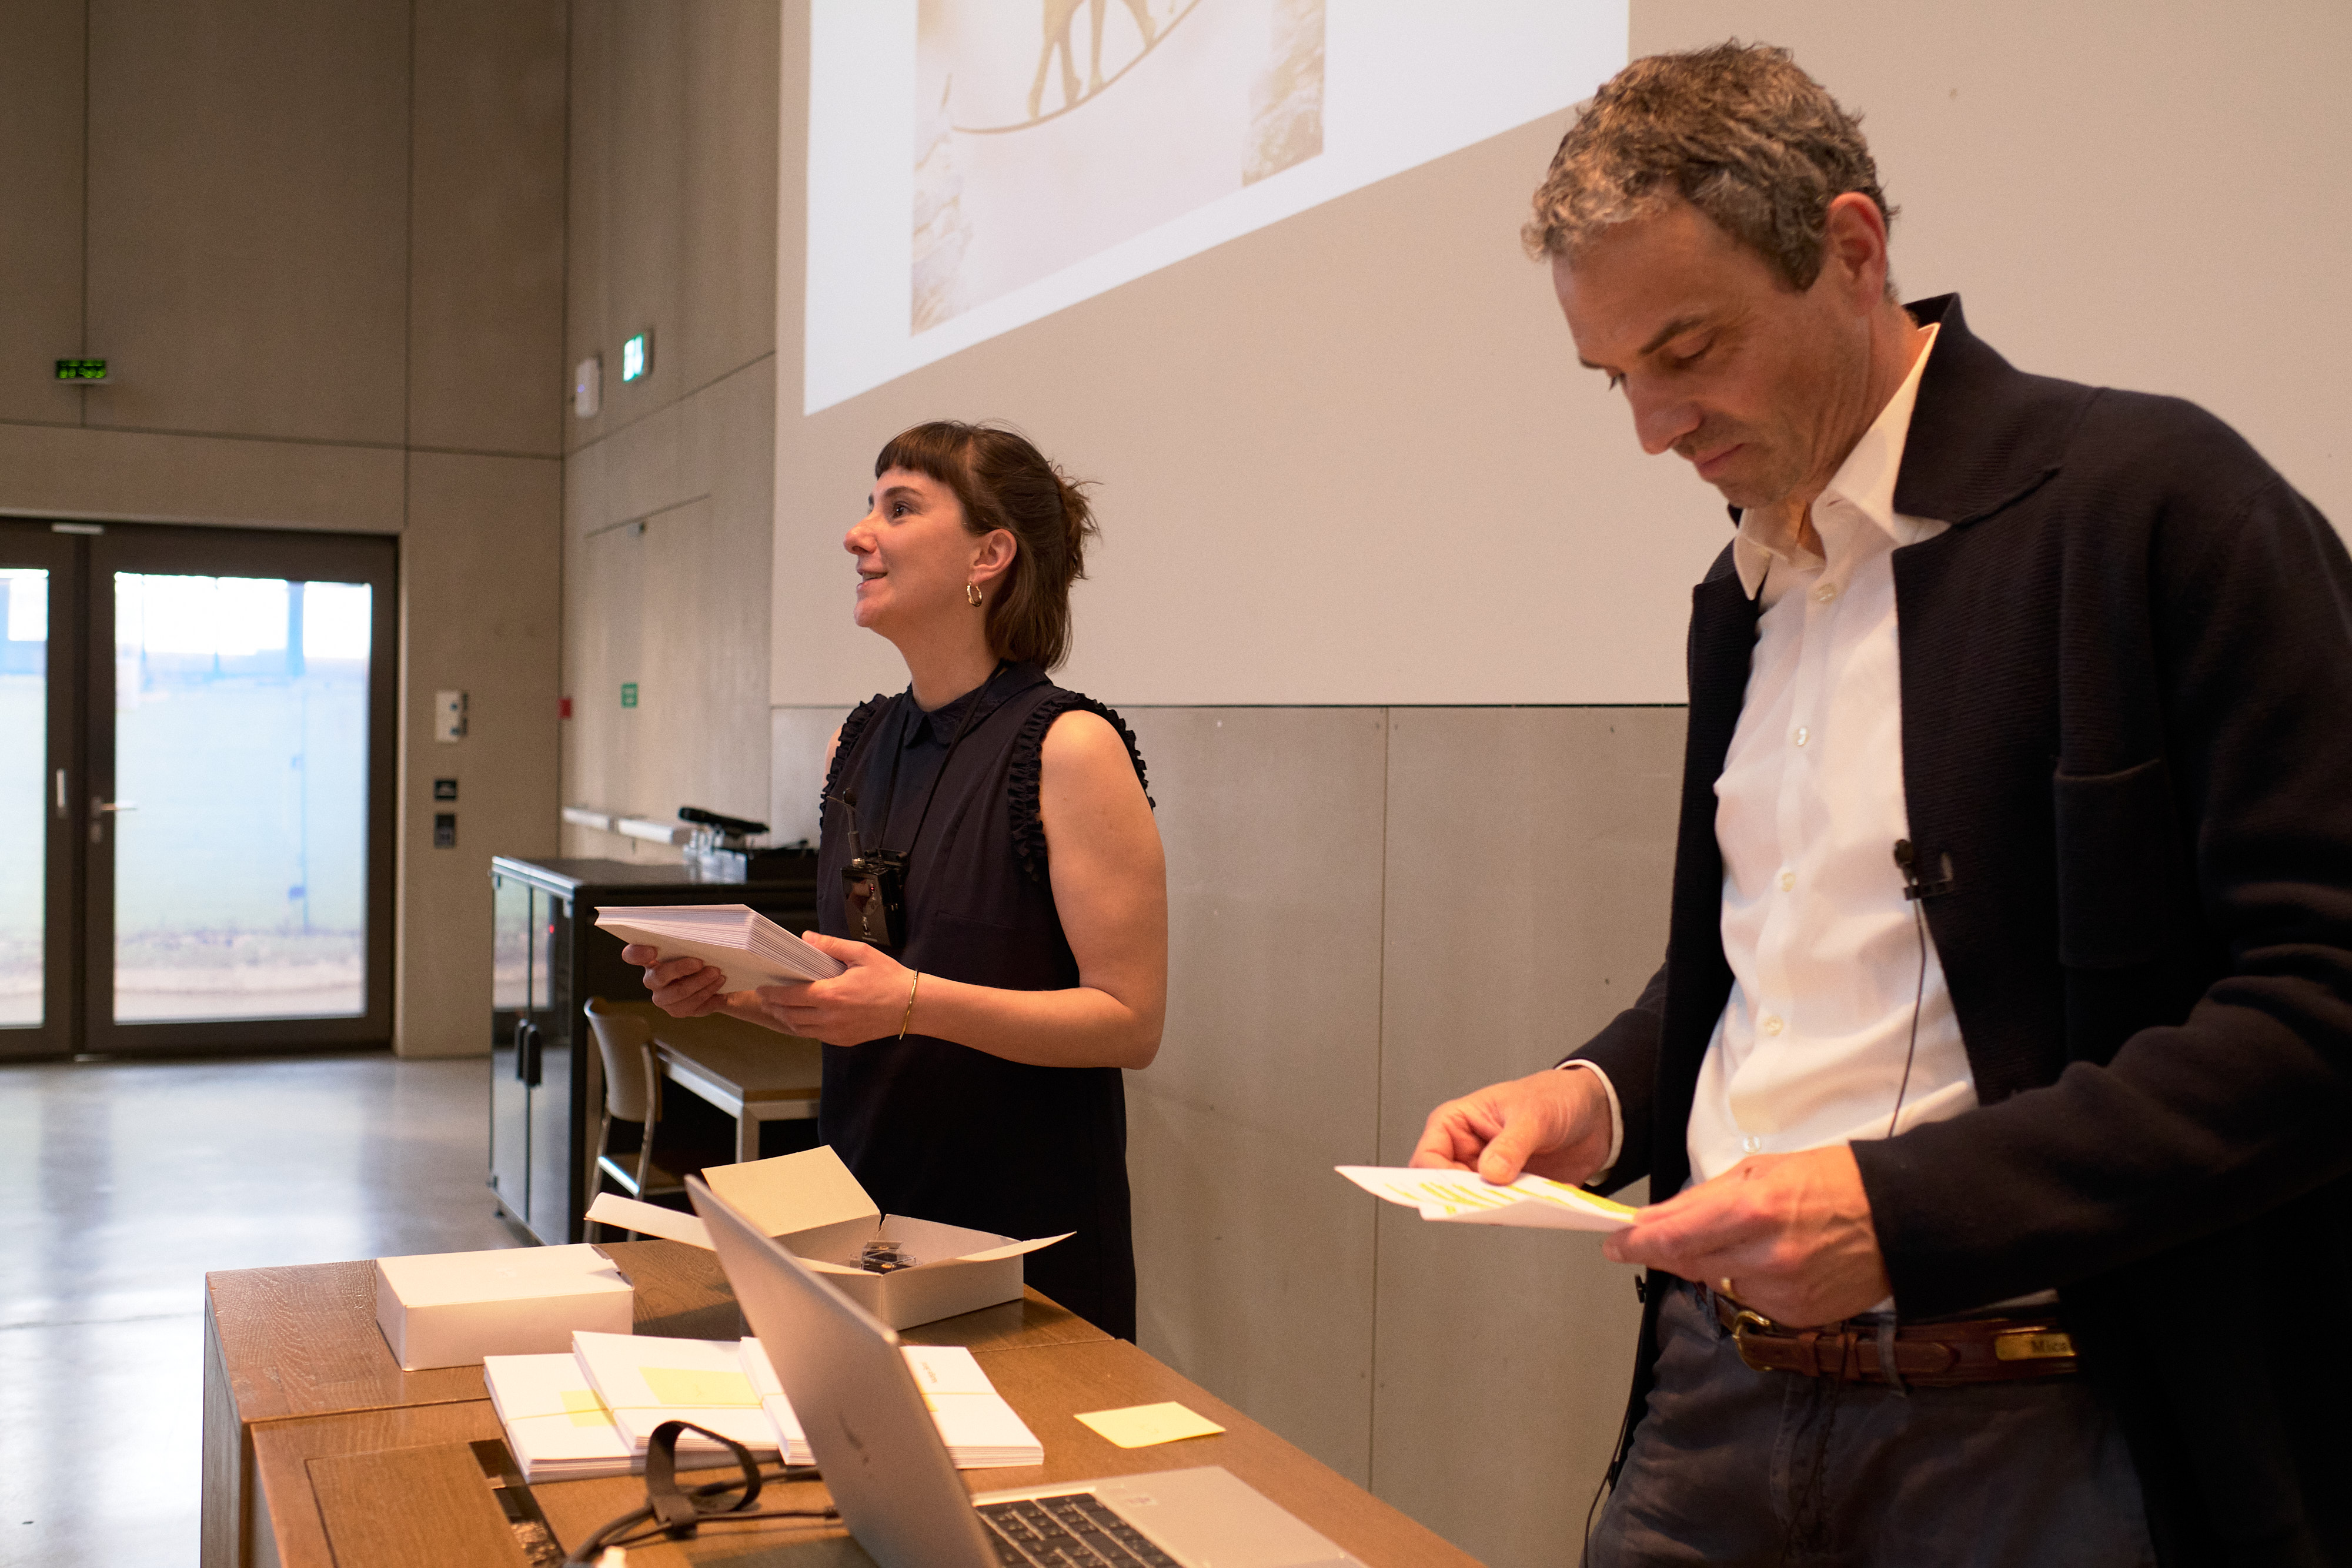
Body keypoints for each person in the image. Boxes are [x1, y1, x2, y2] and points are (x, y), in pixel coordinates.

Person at [1409, 42, 2352, 1567]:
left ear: (1851, 250)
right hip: (1712, 1396)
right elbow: (1776, 963)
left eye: (1688, 347)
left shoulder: (2158, 506)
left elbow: (2322, 1004)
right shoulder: (1743, 589)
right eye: (1616, 376)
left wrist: (1906, 1210)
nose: (1653, 425)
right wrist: (1599, 1097)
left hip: (2040, 1422)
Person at [627, 420, 1166, 1340]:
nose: (857, 535)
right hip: (864, 1218)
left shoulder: (1071, 747)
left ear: (990, 555)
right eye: (870, 506)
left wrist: (912, 1001)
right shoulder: (858, 742)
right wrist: (729, 992)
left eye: (900, 508)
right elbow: (858, 1001)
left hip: (1024, 1251)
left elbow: (1130, 1022)